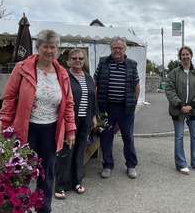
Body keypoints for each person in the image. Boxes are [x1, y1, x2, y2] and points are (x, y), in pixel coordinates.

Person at [0, 29, 76, 213]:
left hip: (51, 130)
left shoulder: (62, 74)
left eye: (54, 47)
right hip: (26, 129)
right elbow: (9, 98)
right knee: (20, 173)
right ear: (38, 47)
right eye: (46, 46)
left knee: (47, 173)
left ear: (58, 49)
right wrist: (6, 127)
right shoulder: (23, 68)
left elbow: (68, 104)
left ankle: (45, 212)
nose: (50, 51)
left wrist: (70, 129)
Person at [94, 37, 140, 179]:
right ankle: (107, 165)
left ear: (125, 49)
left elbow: (136, 86)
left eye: (120, 48)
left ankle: (131, 165)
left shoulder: (132, 64)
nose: (117, 50)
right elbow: (95, 83)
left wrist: (133, 103)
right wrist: (95, 106)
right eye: (114, 48)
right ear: (111, 49)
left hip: (126, 109)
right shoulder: (103, 62)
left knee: (128, 137)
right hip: (106, 107)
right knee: (106, 137)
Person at [54, 48, 97, 199]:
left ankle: (77, 181)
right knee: (66, 152)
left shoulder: (88, 77)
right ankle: (61, 185)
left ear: (84, 61)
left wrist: (94, 116)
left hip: (85, 119)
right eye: (74, 58)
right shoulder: (64, 76)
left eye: (80, 58)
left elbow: (93, 98)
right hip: (69, 120)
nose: (77, 61)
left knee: (80, 150)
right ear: (68, 61)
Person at [165, 46, 195, 174]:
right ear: (180, 57)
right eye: (182, 55)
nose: (185, 57)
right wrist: (180, 105)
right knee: (179, 137)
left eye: (187, 54)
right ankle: (181, 164)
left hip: (193, 110)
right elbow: (169, 90)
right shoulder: (174, 73)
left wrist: (192, 105)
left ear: (191, 56)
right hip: (178, 110)